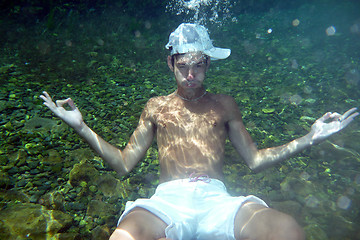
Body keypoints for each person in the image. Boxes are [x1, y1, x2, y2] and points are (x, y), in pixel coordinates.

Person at [40, 23, 358, 240]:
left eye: (199, 66)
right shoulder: (155, 107)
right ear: (170, 63)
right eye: (183, 67)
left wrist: (309, 137)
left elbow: (255, 160)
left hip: (217, 201)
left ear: (208, 64)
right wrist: (82, 127)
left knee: (287, 230)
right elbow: (124, 164)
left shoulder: (225, 105)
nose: (191, 76)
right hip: (168, 202)